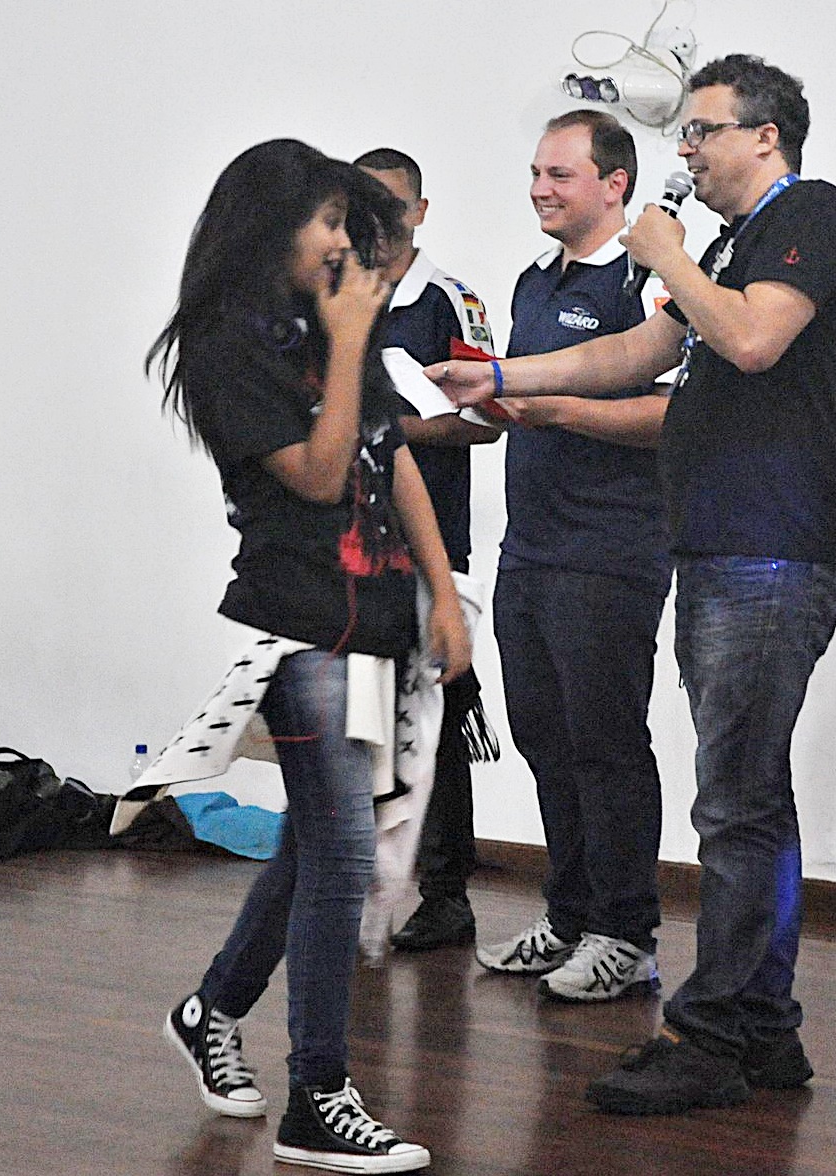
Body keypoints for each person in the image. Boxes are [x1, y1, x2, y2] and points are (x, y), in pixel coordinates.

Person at [432, 55, 836, 1114]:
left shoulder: (811, 214)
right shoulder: (722, 247)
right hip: (716, 547)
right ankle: (761, 1027)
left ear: (765, 137)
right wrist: (501, 376)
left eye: (703, 131)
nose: (688, 150)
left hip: (771, 548)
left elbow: (752, 341)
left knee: (734, 801)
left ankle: (711, 1035)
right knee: (748, 793)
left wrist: (666, 253)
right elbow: (632, 352)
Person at [146, 139, 470, 1173]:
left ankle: (210, 1009)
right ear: (269, 227)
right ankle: (316, 1097)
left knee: (315, 844)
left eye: (344, 222)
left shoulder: (323, 327)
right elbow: (324, 476)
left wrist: (440, 594)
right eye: (325, 222)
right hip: (299, 629)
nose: (339, 241)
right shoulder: (228, 347)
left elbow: (388, 455)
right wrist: (348, 337)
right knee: (339, 853)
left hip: (375, 618)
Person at [466, 110, 675, 1005]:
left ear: (614, 183)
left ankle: (625, 936)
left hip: (610, 550)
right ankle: (570, 914)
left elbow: (673, 415)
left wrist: (553, 410)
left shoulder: (648, 280)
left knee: (605, 745)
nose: (539, 190)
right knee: (544, 739)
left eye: (560, 175)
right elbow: (516, 402)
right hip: (530, 548)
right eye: (534, 173)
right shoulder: (530, 282)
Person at [352, 147, 501, 954]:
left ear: (419, 211)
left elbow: (485, 421)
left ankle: (445, 893)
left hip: (432, 544)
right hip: (349, 546)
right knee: (355, 718)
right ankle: (356, 883)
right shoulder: (336, 290)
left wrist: (388, 428)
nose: (375, 218)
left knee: (436, 718)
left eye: (390, 202)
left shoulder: (449, 300)